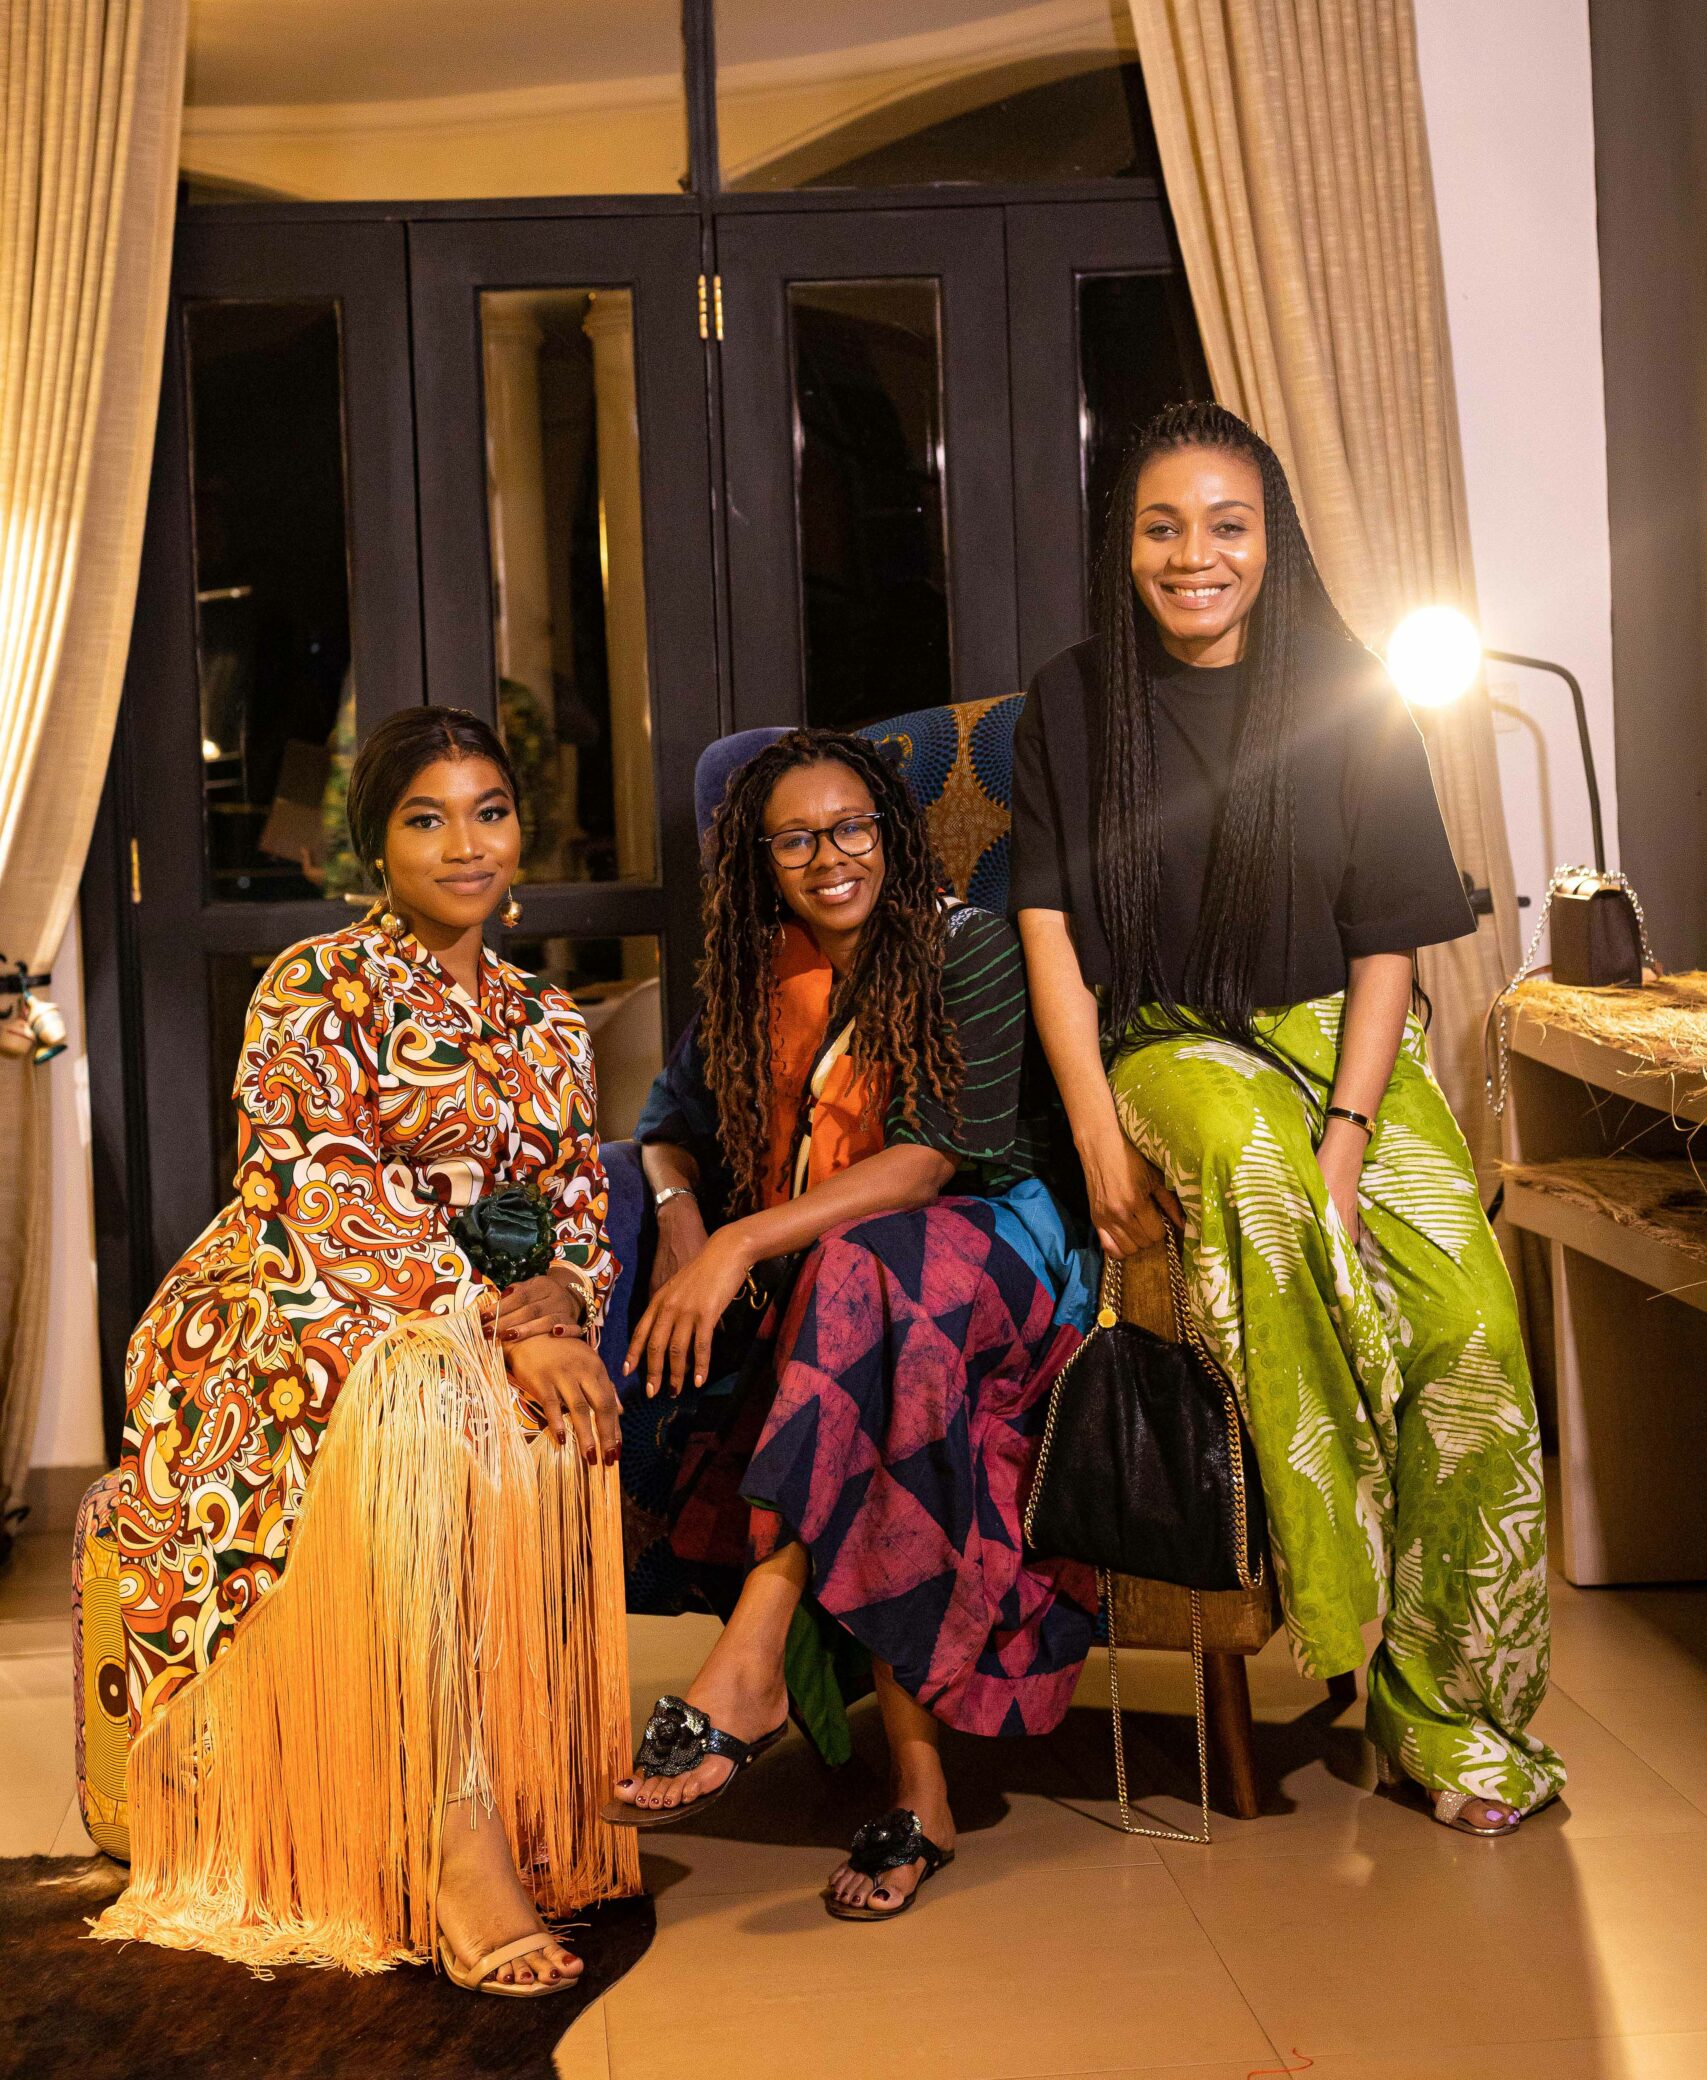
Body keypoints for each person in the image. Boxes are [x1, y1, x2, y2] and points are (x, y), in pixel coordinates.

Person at [1011, 399, 1564, 1837]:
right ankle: (1341, 1591)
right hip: (1166, 1041)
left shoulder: (1350, 689)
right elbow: (1048, 930)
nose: (1193, 555)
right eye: (1161, 527)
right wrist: (1093, 1133)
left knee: (1471, 1334)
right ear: (1123, 545)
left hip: (1343, 1043)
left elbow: (1387, 944)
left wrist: (1352, 1136)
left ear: (1272, 542)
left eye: (1226, 525)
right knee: (1258, 1176)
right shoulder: (1073, 700)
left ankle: (1447, 1712)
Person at [95, 706, 636, 1987]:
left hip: (482, 1312)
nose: (466, 844)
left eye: (490, 812)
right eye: (426, 818)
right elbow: (321, 1186)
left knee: (530, 1402)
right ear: (374, 845)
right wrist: (496, 1327)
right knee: (426, 1396)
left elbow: (575, 1201)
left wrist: (565, 1297)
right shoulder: (315, 983)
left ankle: (532, 1795)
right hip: (291, 1302)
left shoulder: (552, 1019)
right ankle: (453, 1832)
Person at [601, 727, 1098, 1918]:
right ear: (761, 862)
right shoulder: (757, 978)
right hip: (864, 1292)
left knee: (862, 1269)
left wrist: (739, 1243)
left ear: (890, 829)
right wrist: (680, 1215)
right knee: (866, 1310)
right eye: (796, 840)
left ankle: (755, 1649)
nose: (831, 858)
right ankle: (920, 1794)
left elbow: (930, 1163)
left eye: (851, 827)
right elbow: (665, 1127)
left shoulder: (966, 949)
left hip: (1009, 1244)